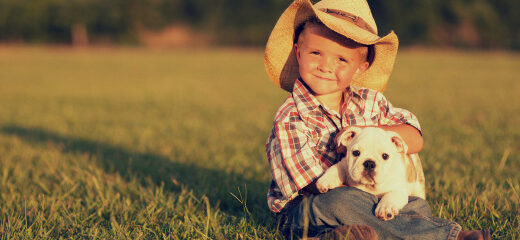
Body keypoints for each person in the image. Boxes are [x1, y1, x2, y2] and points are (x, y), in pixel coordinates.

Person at [263, 0, 491, 239]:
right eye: (316, 53)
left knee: (414, 203)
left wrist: (368, 132)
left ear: (361, 68)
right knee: (342, 202)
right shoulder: (290, 117)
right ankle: (451, 237)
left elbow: (413, 137)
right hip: (308, 211)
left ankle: (347, 235)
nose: (326, 66)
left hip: (370, 197)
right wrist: (374, 195)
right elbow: (314, 184)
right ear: (298, 52)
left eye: (341, 59)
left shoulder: (371, 102)